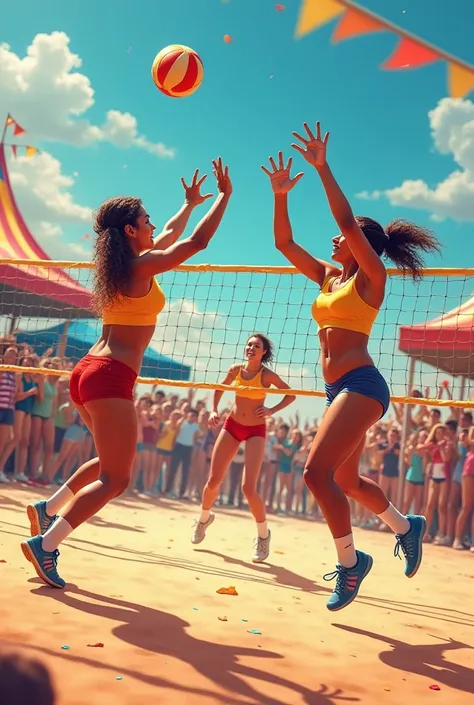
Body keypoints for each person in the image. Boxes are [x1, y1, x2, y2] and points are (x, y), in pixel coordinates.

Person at [21, 160, 232, 588]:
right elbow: (196, 242)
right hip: (110, 376)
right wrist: (225, 196)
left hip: (87, 374)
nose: (154, 225)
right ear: (132, 231)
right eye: (146, 220)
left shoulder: (125, 265)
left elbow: (173, 233)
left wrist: (188, 204)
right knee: (117, 478)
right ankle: (47, 544)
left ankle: (50, 509)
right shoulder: (138, 268)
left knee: (106, 462)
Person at [262, 121, 441, 611]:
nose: (336, 240)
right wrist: (280, 195)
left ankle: (350, 564)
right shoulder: (326, 277)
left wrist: (322, 167)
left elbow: (344, 223)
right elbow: (284, 243)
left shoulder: (372, 278)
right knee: (345, 481)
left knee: (315, 475)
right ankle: (407, 527)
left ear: (362, 245)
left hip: (362, 385)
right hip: (336, 388)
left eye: (346, 238)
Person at [191, 333, 295, 562]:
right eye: (249, 344)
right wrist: (214, 410)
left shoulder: (267, 376)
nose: (251, 348)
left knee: (249, 488)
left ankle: (263, 536)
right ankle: (203, 519)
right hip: (232, 425)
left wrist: (271, 410)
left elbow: (291, 395)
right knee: (213, 480)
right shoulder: (235, 369)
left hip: (256, 430)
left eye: (256, 346)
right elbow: (220, 387)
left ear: (263, 352)